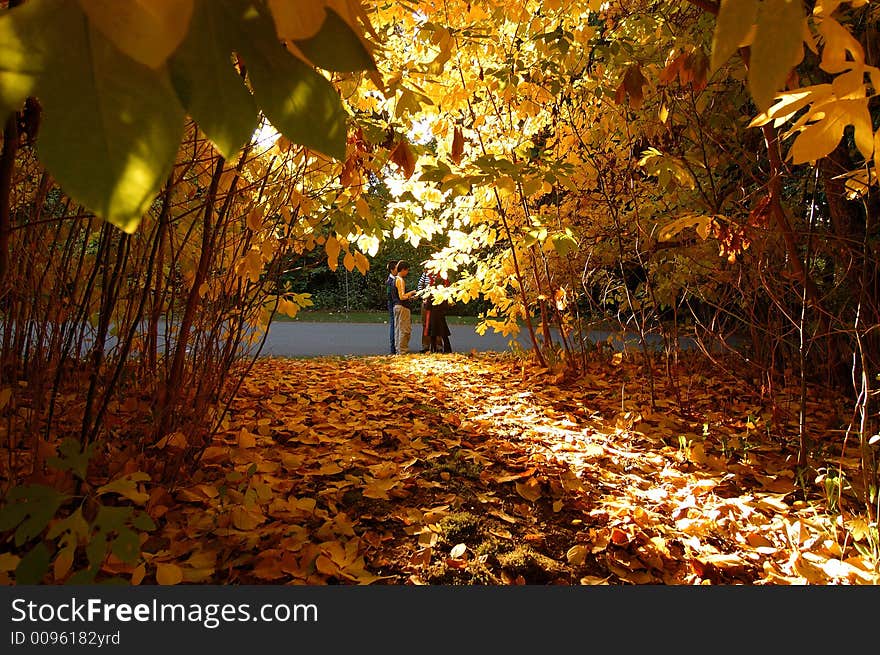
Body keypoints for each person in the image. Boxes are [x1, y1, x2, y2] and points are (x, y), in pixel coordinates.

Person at [392, 260, 417, 354]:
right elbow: (402, 296)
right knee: (404, 330)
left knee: (398, 329)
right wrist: (411, 292)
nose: (407, 272)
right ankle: (402, 351)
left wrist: (410, 297)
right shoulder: (400, 280)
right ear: (403, 269)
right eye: (407, 270)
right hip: (402, 307)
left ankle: (398, 349)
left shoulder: (394, 279)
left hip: (396, 306)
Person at [427, 275, 452, 353]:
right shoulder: (444, 294)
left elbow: (428, 306)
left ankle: (433, 349)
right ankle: (448, 349)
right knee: (444, 334)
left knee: (433, 334)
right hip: (441, 315)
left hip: (433, 315)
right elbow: (446, 306)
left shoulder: (431, 293)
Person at [417, 269, 435, 353]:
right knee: (425, 324)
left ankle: (438, 346)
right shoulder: (425, 273)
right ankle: (426, 346)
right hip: (426, 301)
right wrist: (423, 296)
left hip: (436, 301)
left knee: (437, 324)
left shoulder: (441, 273)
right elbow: (420, 285)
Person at [385, 261, 398, 354]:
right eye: (397, 268)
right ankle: (393, 347)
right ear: (392, 270)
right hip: (392, 304)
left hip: (394, 303)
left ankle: (396, 345)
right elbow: (389, 295)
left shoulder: (396, 279)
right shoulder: (390, 281)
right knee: (393, 324)